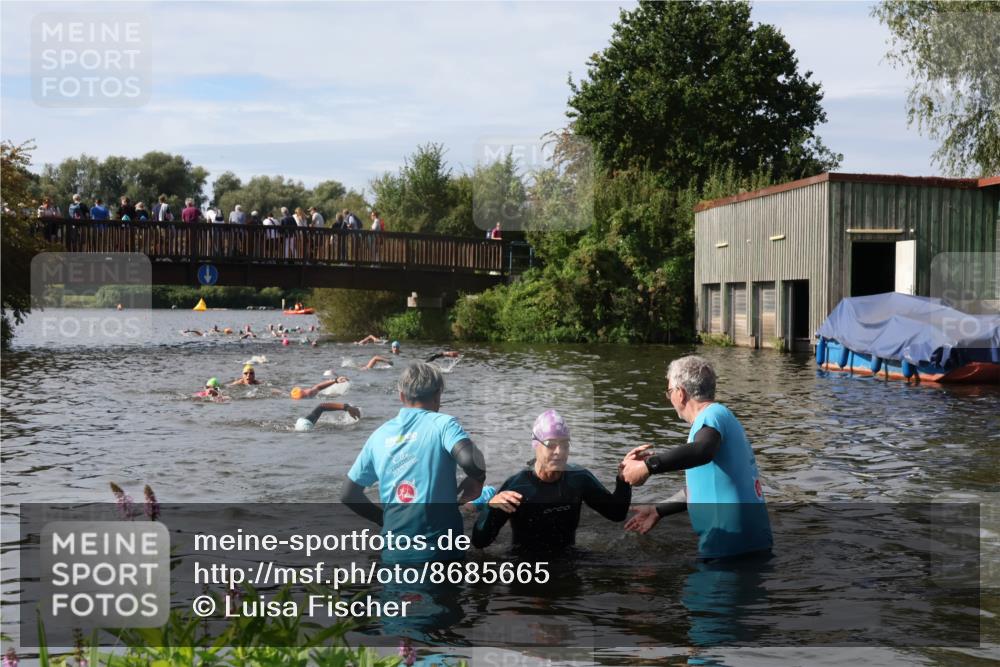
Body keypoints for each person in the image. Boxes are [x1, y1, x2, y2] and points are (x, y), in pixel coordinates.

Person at [621, 355, 772, 560]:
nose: (670, 398)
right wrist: (658, 510)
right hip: (750, 544)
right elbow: (704, 486)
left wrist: (648, 466)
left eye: (669, 392)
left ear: (680, 393)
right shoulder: (722, 418)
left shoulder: (712, 416)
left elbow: (702, 451)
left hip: (727, 547)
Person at [340, 362, 487, 564]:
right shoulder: (443, 425)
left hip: (393, 555)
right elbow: (471, 462)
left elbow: (348, 494)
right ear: (438, 395)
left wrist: (384, 520)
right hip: (442, 556)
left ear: (401, 396)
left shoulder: (379, 436)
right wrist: (477, 479)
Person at [472, 409, 633, 552]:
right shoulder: (517, 487)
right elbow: (480, 542)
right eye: (551, 445)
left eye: (565, 445)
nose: (559, 452)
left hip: (569, 557)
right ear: (536, 445)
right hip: (525, 565)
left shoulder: (578, 479)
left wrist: (623, 478)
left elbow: (617, 514)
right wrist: (491, 508)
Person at [294, 401, 361, 432]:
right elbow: (321, 406)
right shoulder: (304, 426)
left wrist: (347, 408)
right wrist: (347, 407)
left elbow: (321, 407)